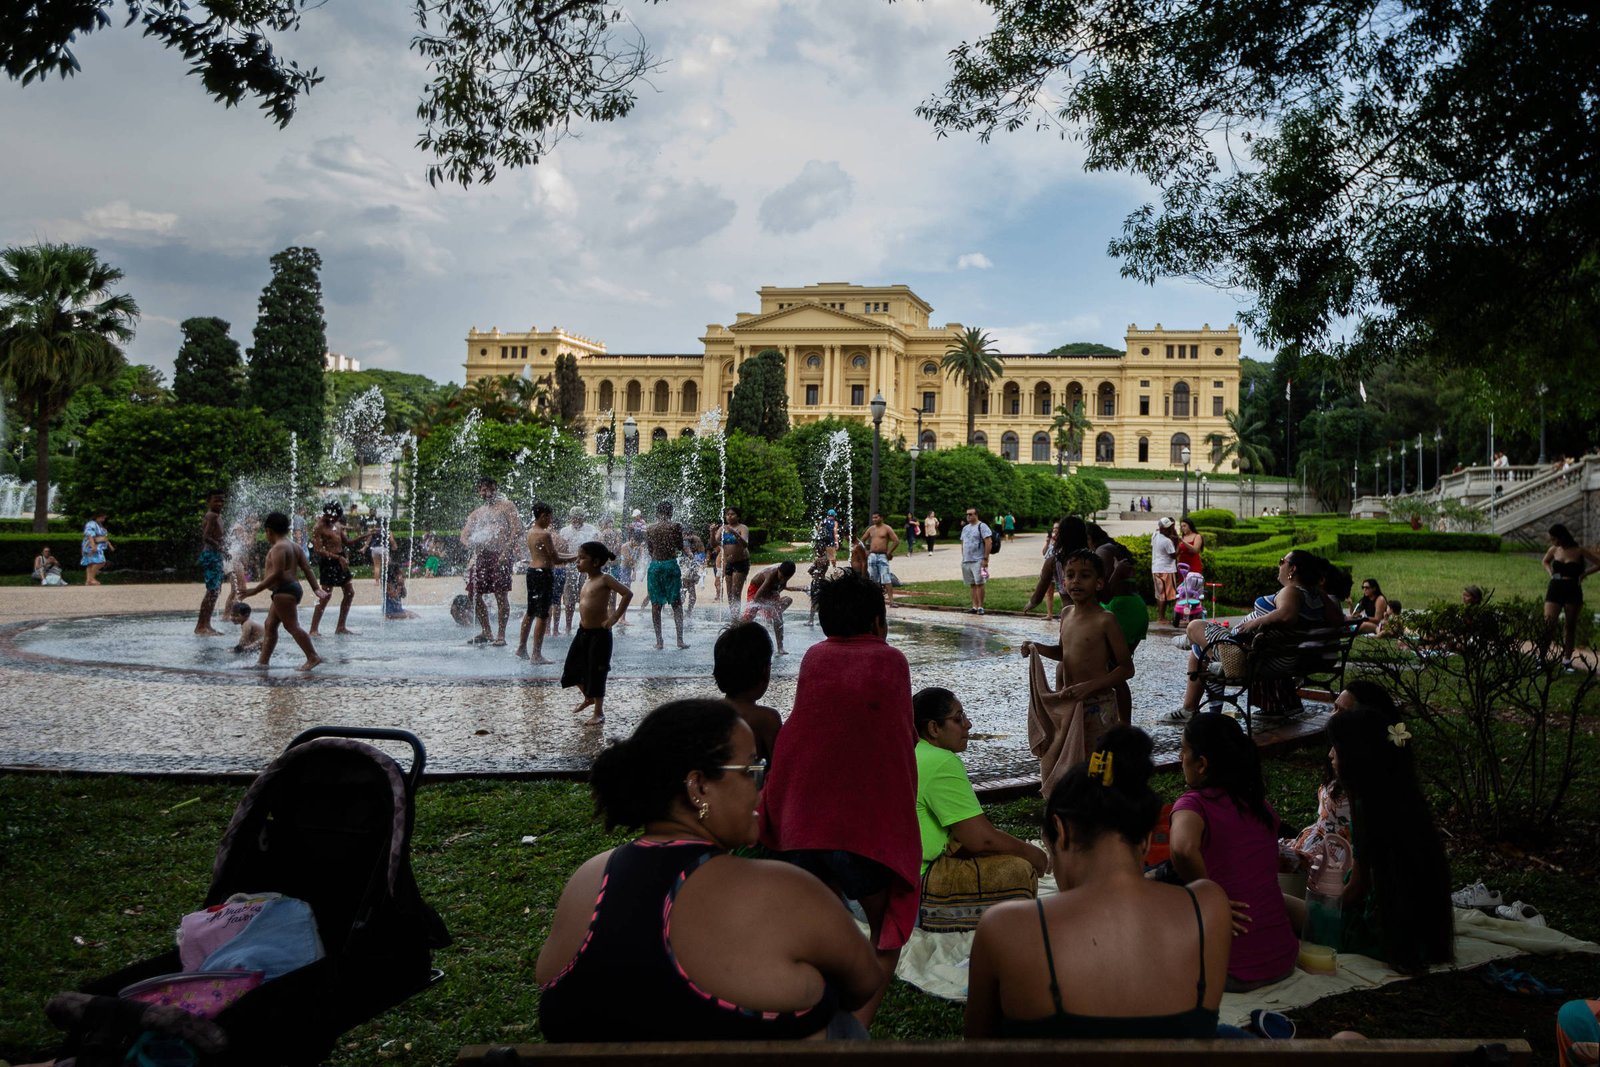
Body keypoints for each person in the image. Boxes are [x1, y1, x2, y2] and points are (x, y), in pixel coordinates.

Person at [536, 699, 880, 1042]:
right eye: (751, 772)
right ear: (699, 787)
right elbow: (863, 982)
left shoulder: (588, 880)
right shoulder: (785, 890)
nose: (763, 787)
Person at [964, 727, 1231, 1038]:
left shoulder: (1005, 927)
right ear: (1146, 840)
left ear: (1061, 831)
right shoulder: (1209, 907)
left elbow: (977, 1048)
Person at [759, 570, 920, 1026]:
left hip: (799, 822)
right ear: (876, 621)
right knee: (886, 930)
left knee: (810, 925)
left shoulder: (815, 657)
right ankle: (856, 1030)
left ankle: (797, 1015)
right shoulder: (891, 661)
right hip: (862, 829)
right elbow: (898, 739)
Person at [1287, 681, 1453, 973]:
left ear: (1356, 755)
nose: (1330, 756)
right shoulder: (1403, 794)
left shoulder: (1367, 806)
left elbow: (1355, 891)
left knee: (1276, 902)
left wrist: (1320, 902)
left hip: (1374, 932)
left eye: (1336, 749)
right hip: (1418, 933)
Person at [1169, 715, 1299, 991]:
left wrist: (1210, 899)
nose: (1180, 757)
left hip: (1229, 971)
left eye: (1183, 750)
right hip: (1282, 960)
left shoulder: (1194, 803)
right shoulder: (1259, 806)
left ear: (1202, 764)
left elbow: (1182, 848)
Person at [914, 686, 1047, 931]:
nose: (969, 724)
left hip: (884, 883)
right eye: (958, 718)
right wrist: (1032, 854)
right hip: (914, 890)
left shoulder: (914, 753)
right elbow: (982, 840)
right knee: (1020, 871)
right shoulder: (941, 761)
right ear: (933, 728)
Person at [1161, 549, 1337, 725]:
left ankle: (1191, 707)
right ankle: (1201, 705)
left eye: (1282, 561)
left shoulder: (1292, 591)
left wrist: (1256, 621)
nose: (1279, 564)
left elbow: (1287, 615)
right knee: (1199, 648)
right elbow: (1338, 618)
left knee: (1195, 627)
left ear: (1293, 569)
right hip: (1275, 655)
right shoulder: (1315, 595)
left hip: (1255, 659)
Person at [1020, 550, 1136, 792]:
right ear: (1063, 581)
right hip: (1072, 706)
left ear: (1099, 583)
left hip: (1099, 706)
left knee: (1099, 769)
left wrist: (1090, 686)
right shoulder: (1066, 614)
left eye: (1084, 576)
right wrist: (1037, 649)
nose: (1075, 581)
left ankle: (1104, 813)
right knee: (1067, 762)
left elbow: (1126, 669)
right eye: (1070, 576)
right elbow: (1064, 652)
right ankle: (1070, 809)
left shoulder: (1106, 620)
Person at [240, 511, 328, 671]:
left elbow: (278, 573)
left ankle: (312, 656)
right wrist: (316, 588)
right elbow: (307, 568)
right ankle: (263, 662)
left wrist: (255, 590)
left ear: (268, 531)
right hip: (288, 590)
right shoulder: (294, 546)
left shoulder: (278, 548)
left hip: (284, 591)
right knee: (270, 624)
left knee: (291, 626)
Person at [562, 540, 632, 725]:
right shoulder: (587, 580)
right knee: (571, 667)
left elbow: (627, 593)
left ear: (595, 562)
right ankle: (589, 696)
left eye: (582, 558)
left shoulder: (605, 579)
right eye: (578, 558)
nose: (577, 561)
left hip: (600, 634)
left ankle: (598, 712)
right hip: (583, 632)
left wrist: (614, 617)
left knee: (597, 671)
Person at [460, 476, 523, 646]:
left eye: (491, 489)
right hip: (482, 557)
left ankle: (501, 635)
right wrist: (472, 545)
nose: (487, 493)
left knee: (500, 595)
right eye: (483, 490)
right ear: (478, 491)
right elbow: (464, 536)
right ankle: (486, 631)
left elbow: (517, 530)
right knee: (473, 594)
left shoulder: (507, 506)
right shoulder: (477, 513)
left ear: (496, 489)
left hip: (500, 555)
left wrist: (506, 551)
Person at [713, 621, 783, 764]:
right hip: (753, 786)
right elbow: (780, 769)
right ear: (765, 671)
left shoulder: (709, 713)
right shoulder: (767, 719)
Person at [515, 501, 572, 663]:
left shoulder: (531, 532)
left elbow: (550, 556)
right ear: (543, 516)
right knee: (542, 613)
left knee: (531, 611)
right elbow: (555, 558)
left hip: (532, 572)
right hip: (543, 574)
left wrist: (573, 556)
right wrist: (575, 557)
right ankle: (536, 654)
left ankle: (521, 648)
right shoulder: (544, 534)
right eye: (549, 518)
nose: (550, 521)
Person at [1543, 523, 1600, 670]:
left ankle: (1567, 660)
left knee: (1570, 626)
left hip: (1572, 589)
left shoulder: (1578, 550)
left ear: (1562, 537)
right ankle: (1541, 657)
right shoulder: (1554, 550)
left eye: (1554, 538)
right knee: (1548, 624)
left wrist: (1584, 574)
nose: (1552, 542)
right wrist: (1551, 574)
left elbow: (1598, 563)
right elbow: (1545, 561)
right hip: (1555, 588)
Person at [309, 502, 358, 636]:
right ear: (328, 514)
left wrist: (365, 536)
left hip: (340, 559)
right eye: (335, 517)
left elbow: (347, 542)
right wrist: (337, 558)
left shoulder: (336, 524)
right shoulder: (318, 527)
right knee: (325, 595)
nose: (336, 520)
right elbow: (318, 550)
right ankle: (313, 629)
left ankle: (341, 626)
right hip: (329, 561)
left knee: (349, 592)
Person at [646, 501, 690, 650]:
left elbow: (650, 549)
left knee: (656, 605)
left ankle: (659, 641)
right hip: (670, 565)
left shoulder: (650, 528)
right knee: (676, 603)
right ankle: (680, 640)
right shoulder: (675, 526)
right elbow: (679, 546)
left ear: (657, 513)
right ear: (671, 513)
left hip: (655, 567)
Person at [557, 508, 600, 633]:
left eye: (578, 517)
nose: (576, 520)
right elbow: (561, 549)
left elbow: (597, 547)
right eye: (574, 517)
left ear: (583, 517)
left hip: (587, 569)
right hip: (570, 568)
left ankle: (585, 623)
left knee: (587, 597)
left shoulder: (591, 530)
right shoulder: (564, 531)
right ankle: (568, 626)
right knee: (569, 598)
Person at [742, 561, 796, 655]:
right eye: (781, 577)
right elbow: (756, 598)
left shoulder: (786, 572)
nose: (783, 579)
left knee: (778, 615)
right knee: (749, 615)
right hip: (756, 589)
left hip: (771, 590)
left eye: (785, 578)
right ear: (779, 570)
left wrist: (774, 605)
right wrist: (769, 605)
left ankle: (780, 647)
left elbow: (780, 587)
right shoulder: (771, 574)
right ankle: (736, 633)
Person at [195, 490, 227, 634]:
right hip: (211, 555)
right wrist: (222, 549)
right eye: (216, 500)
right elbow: (206, 537)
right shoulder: (212, 516)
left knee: (215, 590)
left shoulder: (217, 516)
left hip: (215, 555)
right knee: (212, 590)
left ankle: (206, 624)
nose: (219, 503)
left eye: (222, 500)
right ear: (208, 501)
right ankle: (201, 626)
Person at [710, 506, 751, 617]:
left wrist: (735, 533)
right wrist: (712, 532)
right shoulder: (722, 528)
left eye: (732, 514)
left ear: (738, 516)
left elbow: (745, 544)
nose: (729, 516)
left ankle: (737, 618)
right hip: (728, 563)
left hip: (741, 562)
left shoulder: (743, 528)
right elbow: (714, 544)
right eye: (727, 514)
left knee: (736, 591)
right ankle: (734, 617)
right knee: (729, 593)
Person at [862, 511, 900, 606]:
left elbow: (896, 541)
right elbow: (862, 540)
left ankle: (891, 601)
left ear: (881, 518)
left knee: (886, 578)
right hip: (872, 556)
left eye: (876, 517)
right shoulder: (871, 529)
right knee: (873, 579)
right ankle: (875, 600)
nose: (874, 519)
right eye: (873, 518)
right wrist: (866, 551)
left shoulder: (887, 528)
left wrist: (889, 552)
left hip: (882, 556)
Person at [959, 506, 993, 615]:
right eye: (967, 514)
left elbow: (988, 542)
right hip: (967, 560)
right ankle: (974, 606)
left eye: (970, 514)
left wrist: (985, 558)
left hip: (979, 560)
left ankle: (980, 607)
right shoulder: (965, 528)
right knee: (972, 584)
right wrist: (963, 556)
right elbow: (962, 543)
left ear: (976, 515)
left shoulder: (982, 526)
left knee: (980, 583)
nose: (968, 516)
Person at [1151, 516, 1180, 626]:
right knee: (1165, 595)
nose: (1170, 530)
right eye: (1168, 528)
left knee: (1160, 593)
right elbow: (1173, 556)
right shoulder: (1167, 541)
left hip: (1156, 568)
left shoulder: (1154, 535)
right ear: (1162, 528)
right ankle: (1162, 617)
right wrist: (1179, 547)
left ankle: (1161, 616)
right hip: (1166, 569)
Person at [80, 510, 112, 585]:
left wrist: (110, 545)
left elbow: (104, 537)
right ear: (97, 517)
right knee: (101, 561)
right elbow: (90, 535)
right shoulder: (91, 524)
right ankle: (91, 578)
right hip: (92, 545)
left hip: (98, 545)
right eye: (102, 518)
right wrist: (93, 546)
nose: (103, 520)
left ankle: (88, 580)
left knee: (91, 563)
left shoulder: (99, 525)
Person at [1040, 522, 1060, 620]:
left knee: (1062, 591)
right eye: (1053, 528)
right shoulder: (1051, 540)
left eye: (1057, 528)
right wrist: (1047, 542)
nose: (1054, 530)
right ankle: (1049, 614)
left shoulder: (1061, 540)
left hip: (1057, 569)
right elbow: (1044, 553)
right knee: (1049, 592)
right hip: (1048, 569)